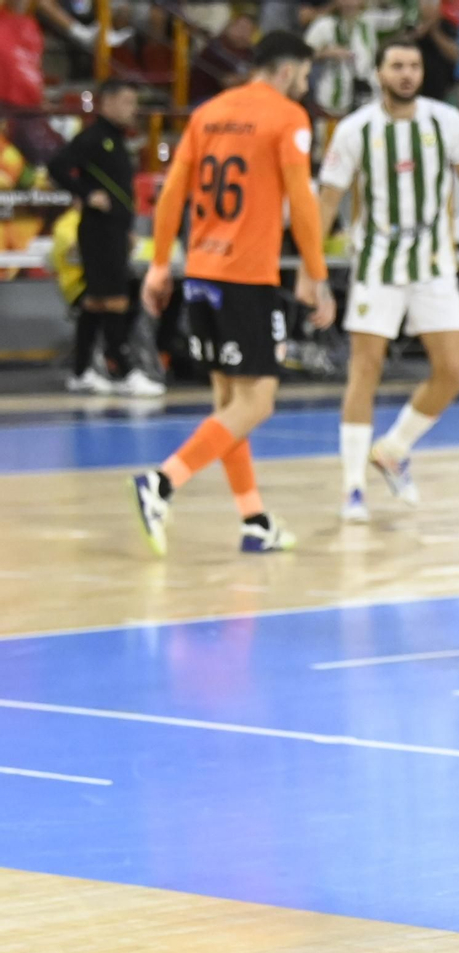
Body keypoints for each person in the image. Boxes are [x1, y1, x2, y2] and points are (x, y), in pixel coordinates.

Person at [133, 32, 336, 557]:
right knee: (258, 401)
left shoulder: (209, 113)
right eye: (306, 75)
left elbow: (172, 191)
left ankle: (255, 519)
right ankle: (163, 480)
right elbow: (302, 201)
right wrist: (315, 273)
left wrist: (160, 264)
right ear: (289, 71)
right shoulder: (288, 116)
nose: (305, 86)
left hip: (201, 271)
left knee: (230, 406)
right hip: (246, 277)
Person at [316, 39, 459, 523]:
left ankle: (393, 448)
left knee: (453, 371)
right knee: (365, 369)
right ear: (378, 73)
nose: (406, 73)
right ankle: (352, 487)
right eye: (396, 65)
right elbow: (329, 200)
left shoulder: (445, 121)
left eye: (413, 65)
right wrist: (314, 269)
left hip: (434, 265)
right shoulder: (355, 130)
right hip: (377, 265)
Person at [47, 79, 164, 398]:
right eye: (127, 101)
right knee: (115, 299)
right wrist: (86, 194)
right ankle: (124, 370)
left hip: (114, 229)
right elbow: (57, 166)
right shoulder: (93, 137)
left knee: (95, 301)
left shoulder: (117, 140)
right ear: (107, 102)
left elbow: (121, 189)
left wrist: (124, 227)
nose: (133, 109)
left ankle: (82, 370)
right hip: (96, 229)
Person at [306, 0, 404, 117]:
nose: (350, 3)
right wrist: (327, 53)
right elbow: (303, 54)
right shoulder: (325, 24)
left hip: (368, 96)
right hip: (333, 102)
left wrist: (382, 3)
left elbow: (400, 19)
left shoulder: (370, 22)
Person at [189, 14, 256, 103]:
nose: (241, 32)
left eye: (247, 30)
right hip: (206, 99)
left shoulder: (251, 54)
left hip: (238, 100)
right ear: (229, 27)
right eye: (239, 27)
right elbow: (227, 82)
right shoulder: (214, 47)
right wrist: (245, 78)